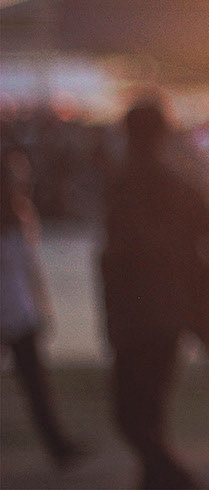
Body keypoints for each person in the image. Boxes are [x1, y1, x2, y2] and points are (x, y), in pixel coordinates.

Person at [102, 100, 209, 488]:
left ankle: (173, 478)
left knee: (129, 414)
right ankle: (156, 478)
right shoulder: (180, 185)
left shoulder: (125, 185)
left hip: (134, 315)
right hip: (171, 312)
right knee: (151, 410)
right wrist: (203, 287)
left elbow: (118, 255)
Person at [1, 144, 84, 470]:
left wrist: (41, 306)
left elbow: (30, 269)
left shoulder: (20, 217)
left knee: (37, 386)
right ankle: (58, 445)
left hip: (20, 313)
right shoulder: (16, 220)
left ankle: (59, 446)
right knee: (35, 386)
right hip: (16, 311)